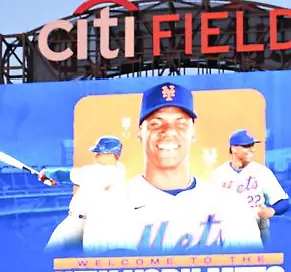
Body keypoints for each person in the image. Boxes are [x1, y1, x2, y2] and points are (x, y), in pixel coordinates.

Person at [77, 81, 265, 254]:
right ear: (140, 133)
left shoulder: (232, 206)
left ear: (193, 133)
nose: (169, 131)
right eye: (156, 123)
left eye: (181, 123)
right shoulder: (107, 209)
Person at [41, 136, 129, 252]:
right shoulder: (119, 169)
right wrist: (53, 179)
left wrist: (46, 173)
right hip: (80, 223)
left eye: (100, 152)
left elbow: (66, 175)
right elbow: (85, 182)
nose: (95, 155)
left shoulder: (98, 172)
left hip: (92, 226)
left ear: (111, 154)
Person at [210, 130, 290, 246]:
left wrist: (271, 211)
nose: (252, 149)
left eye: (252, 145)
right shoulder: (219, 175)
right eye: (247, 146)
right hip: (227, 237)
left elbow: (284, 202)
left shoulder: (262, 172)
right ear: (234, 149)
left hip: (256, 235)